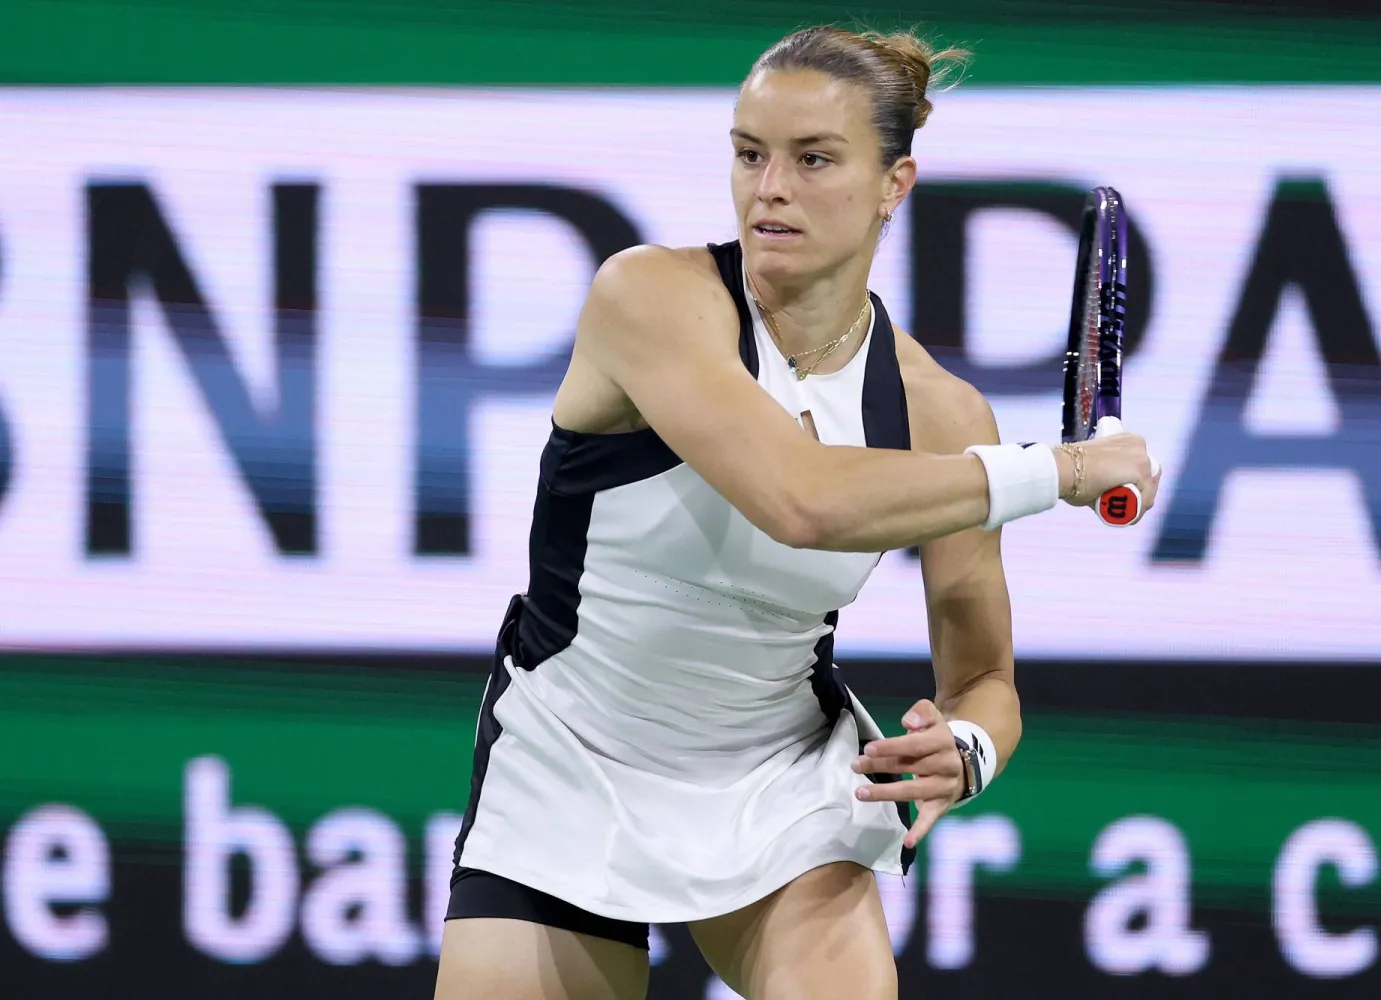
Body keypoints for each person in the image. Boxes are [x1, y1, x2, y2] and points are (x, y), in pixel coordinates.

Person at [433, 24, 1159, 1000]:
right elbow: (801, 500)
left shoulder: (940, 414)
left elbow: (984, 679)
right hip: (572, 756)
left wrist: (968, 748)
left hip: (779, 781)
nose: (769, 188)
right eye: (749, 154)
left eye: (813, 159)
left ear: (894, 184)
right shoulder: (651, 296)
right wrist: (1058, 471)